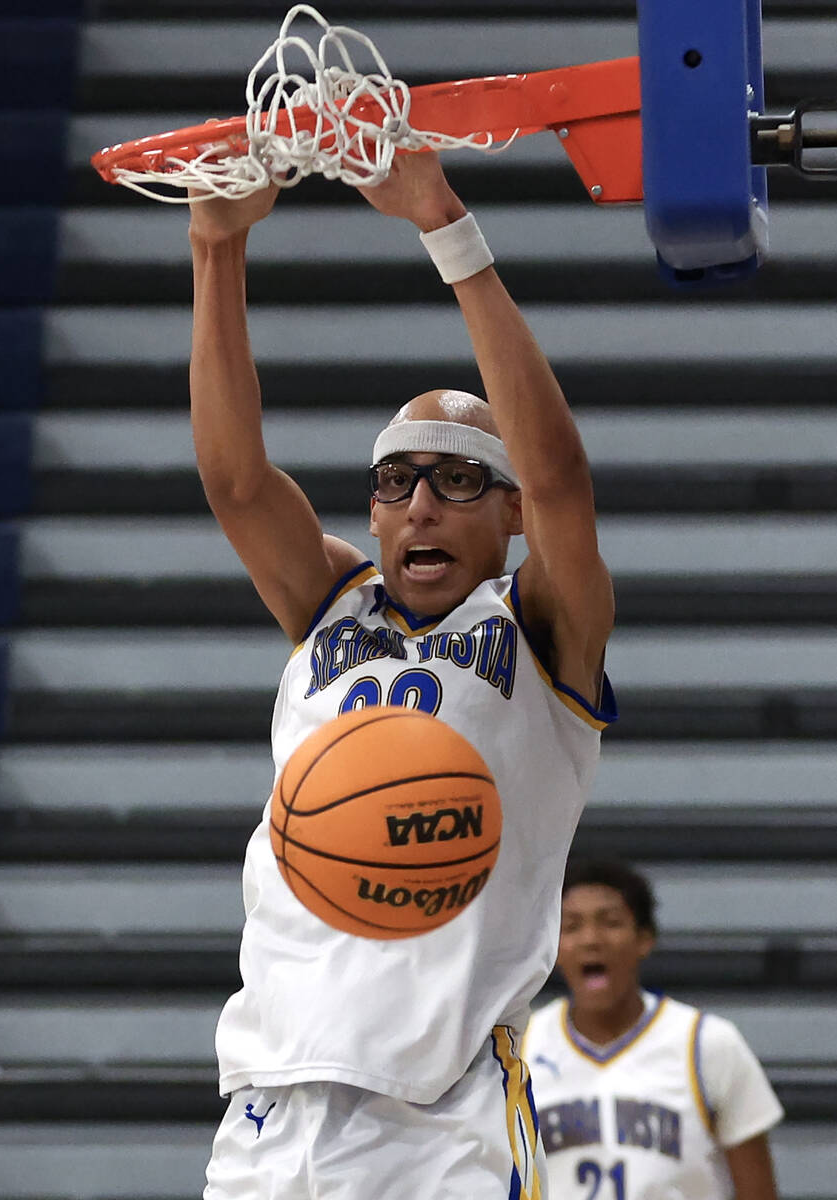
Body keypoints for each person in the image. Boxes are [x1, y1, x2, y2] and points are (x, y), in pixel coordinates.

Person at [188, 150, 616, 1199]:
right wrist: (215, 245)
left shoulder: (538, 624)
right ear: (374, 513)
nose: (420, 502)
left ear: (510, 513)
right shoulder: (329, 600)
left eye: (458, 477)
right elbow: (237, 483)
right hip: (268, 1104)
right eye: (395, 480)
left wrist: (444, 226)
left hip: (442, 1120)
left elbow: (561, 475)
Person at [523, 858, 784, 1200]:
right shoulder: (522, 1046)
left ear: (644, 939)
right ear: (553, 947)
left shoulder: (709, 1044)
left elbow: (759, 1191)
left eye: (610, 922)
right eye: (571, 926)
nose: (591, 940)